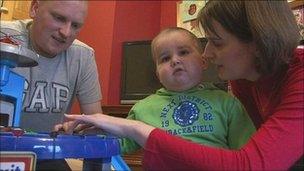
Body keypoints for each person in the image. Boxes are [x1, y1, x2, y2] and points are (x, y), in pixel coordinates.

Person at [61, 1, 303, 170]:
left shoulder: (232, 100)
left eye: (216, 42)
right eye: (164, 59)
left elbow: (249, 163)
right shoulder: (242, 78)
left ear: (257, 41)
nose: (207, 53)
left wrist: (136, 128)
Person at [118, 27, 255, 154]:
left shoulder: (227, 103)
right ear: (158, 74)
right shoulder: (142, 109)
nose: (175, 60)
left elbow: (246, 154)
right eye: (165, 58)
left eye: (183, 52)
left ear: (203, 62)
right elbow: (118, 144)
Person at [0, 0, 102, 132]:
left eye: (75, 25)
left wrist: (78, 130)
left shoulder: (84, 56)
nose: (66, 33)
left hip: (48, 150)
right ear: (35, 8)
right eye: (59, 18)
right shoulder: (4, 35)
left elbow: (95, 125)